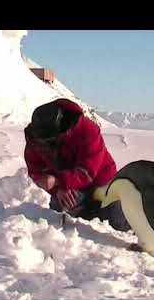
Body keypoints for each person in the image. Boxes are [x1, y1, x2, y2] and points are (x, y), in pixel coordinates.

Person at [24, 98, 130, 232]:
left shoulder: (87, 130)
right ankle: (85, 216)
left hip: (101, 180)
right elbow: (35, 168)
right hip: (67, 186)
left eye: (50, 140)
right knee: (59, 212)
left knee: (117, 223)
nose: (46, 144)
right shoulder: (37, 137)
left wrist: (59, 181)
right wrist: (56, 188)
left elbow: (87, 171)